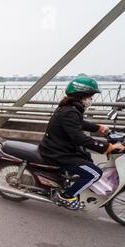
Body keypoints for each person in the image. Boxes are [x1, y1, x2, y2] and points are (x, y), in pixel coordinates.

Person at [39, 77, 125, 210]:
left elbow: (79, 124)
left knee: (87, 160)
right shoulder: (70, 111)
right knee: (94, 173)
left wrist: (98, 128)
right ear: (81, 95)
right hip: (58, 153)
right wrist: (108, 147)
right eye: (90, 96)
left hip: (60, 148)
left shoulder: (69, 108)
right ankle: (66, 197)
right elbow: (80, 138)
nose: (90, 99)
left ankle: (68, 184)